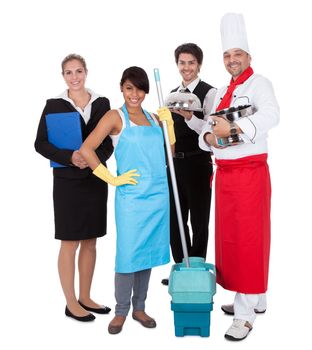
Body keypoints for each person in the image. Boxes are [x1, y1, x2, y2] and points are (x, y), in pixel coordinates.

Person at [199, 13, 280, 340]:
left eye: (237, 54)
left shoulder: (259, 84)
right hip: (226, 177)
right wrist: (210, 137)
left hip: (250, 175)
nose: (232, 60)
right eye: (227, 55)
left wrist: (230, 128)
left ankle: (245, 315)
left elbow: (271, 115)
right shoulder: (218, 93)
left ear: (248, 57)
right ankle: (254, 296)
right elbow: (207, 127)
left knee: (249, 241)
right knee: (231, 242)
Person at [79, 66, 174, 334]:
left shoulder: (156, 119)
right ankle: (121, 311)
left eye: (140, 89)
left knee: (147, 253)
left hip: (157, 196)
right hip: (131, 197)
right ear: (122, 87)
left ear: (146, 91)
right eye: (130, 88)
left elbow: (169, 154)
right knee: (128, 254)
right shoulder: (115, 117)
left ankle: (140, 308)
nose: (135, 94)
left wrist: (171, 128)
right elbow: (87, 149)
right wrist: (110, 178)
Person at [34, 54, 113, 322]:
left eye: (79, 71)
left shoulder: (102, 103)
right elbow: (41, 143)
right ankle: (70, 302)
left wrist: (91, 160)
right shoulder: (54, 104)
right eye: (69, 73)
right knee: (70, 242)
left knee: (90, 241)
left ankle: (86, 296)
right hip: (67, 182)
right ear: (63, 76)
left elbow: (108, 143)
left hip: (95, 178)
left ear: (86, 72)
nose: (74, 77)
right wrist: (70, 157)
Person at [161, 43, 217, 285]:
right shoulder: (172, 95)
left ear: (199, 65)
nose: (186, 67)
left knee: (199, 219)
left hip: (198, 162)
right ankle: (181, 267)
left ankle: (196, 268)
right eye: (182, 63)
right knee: (175, 218)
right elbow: (168, 133)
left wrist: (190, 117)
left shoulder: (211, 93)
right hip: (174, 164)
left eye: (191, 63)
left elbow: (210, 129)